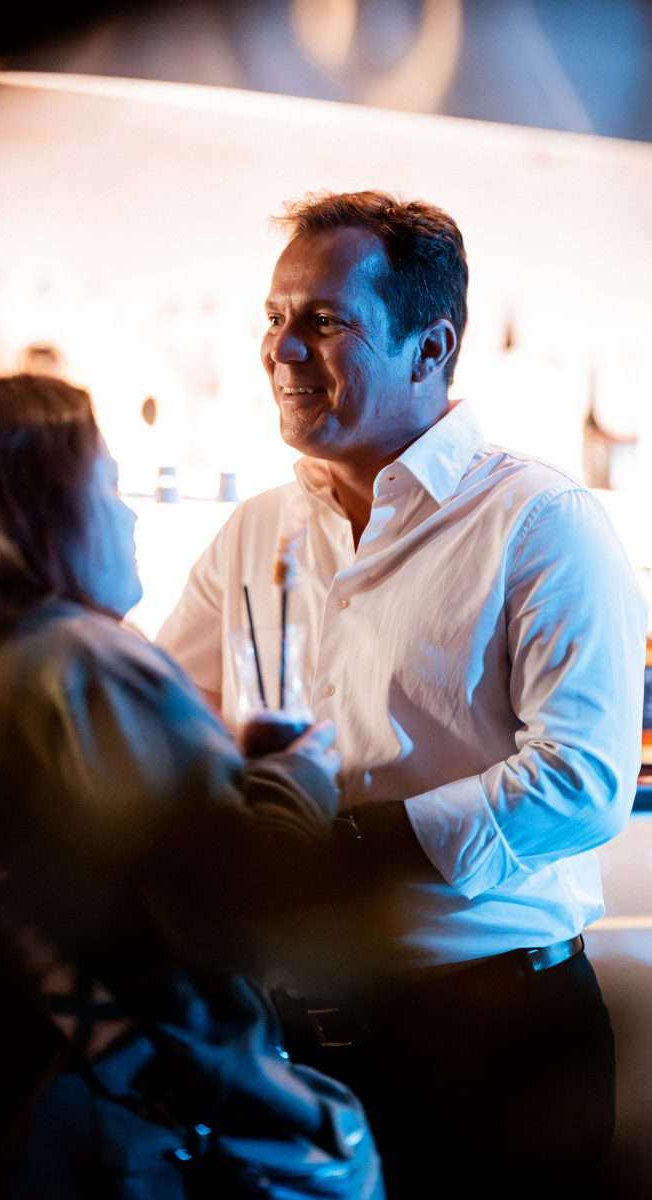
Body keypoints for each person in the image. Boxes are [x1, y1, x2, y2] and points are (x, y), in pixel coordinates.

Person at [156, 190, 648, 1199]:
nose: (282, 349)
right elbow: (164, 721)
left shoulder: (539, 518)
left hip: (493, 1043)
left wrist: (346, 847)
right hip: (293, 1038)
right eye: (274, 317)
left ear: (431, 348)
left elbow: (584, 782)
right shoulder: (254, 529)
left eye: (324, 321)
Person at [0, 374, 384, 1199]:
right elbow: (237, 921)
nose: (130, 514)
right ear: (38, 510)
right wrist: (294, 782)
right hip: (115, 1142)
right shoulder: (82, 664)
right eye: (107, 484)